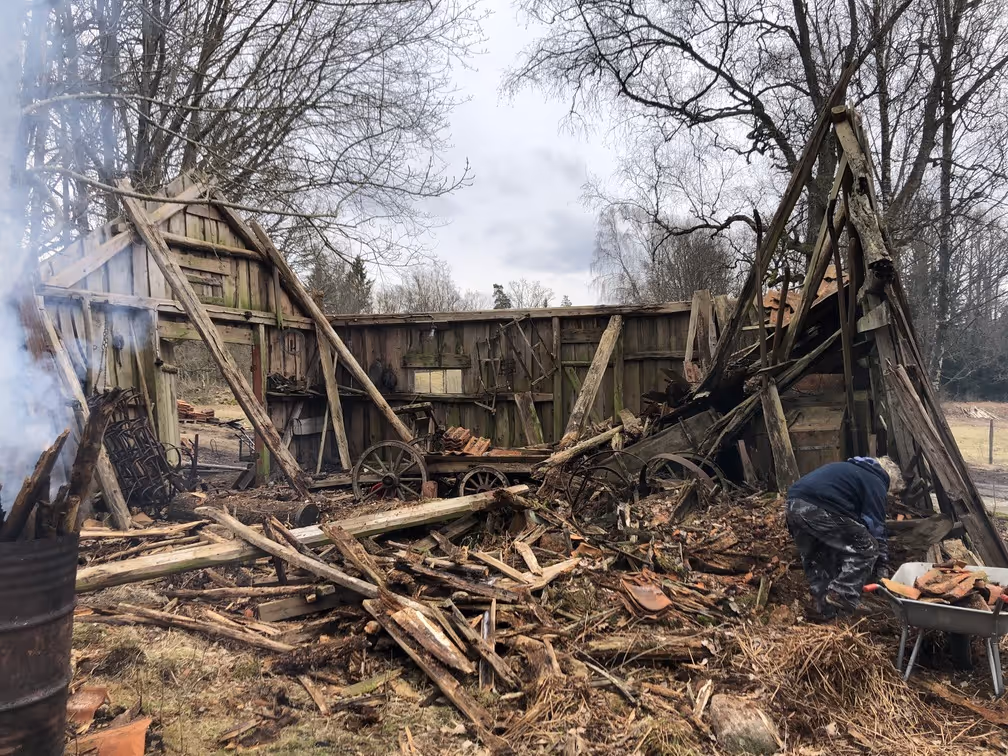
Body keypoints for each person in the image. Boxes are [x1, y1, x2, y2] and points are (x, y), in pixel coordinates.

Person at [785, 456, 900, 617]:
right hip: (819, 508)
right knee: (868, 547)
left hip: (793, 505)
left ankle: (824, 610)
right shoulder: (877, 481)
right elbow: (876, 528)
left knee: (818, 557)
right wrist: (882, 567)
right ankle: (842, 593)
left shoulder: (850, 470)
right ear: (890, 480)